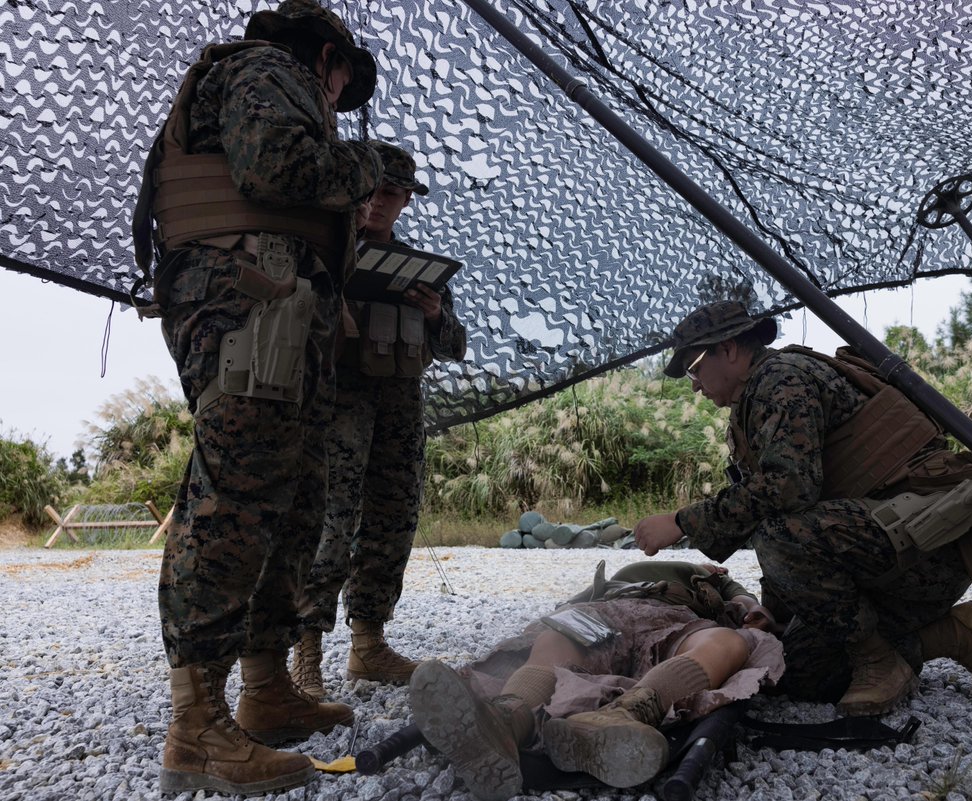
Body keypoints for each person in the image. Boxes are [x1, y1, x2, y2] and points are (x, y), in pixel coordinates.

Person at [133, 0, 384, 794]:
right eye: (344, 81)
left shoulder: (277, 81)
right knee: (238, 494)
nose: (341, 100)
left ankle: (266, 687)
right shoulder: (266, 70)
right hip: (248, 301)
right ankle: (196, 727)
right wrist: (371, 163)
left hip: (280, 304)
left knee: (292, 496)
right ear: (327, 58)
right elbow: (276, 167)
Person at [634, 300, 972, 716]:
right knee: (801, 672)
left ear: (729, 348)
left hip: (926, 554)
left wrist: (680, 522)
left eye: (694, 367)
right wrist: (777, 610)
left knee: (780, 537)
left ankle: (877, 661)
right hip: (888, 551)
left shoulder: (780, 379)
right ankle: (956, 634)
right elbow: (794, 509)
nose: (694, 385)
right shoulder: (755, 398)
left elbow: (789, 489)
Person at [291, 141, 468, 696]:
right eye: (368, 191)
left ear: (406, 201)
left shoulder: (424, 271)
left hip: (399, 407)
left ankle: (368, 646)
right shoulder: (319, 252)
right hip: (336, 405)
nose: (377, 203)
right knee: (330, 523)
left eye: (391, 193)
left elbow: (456, 346)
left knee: (392, 520)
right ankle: (306, 654)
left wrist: (435, 314)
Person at [408, 560, 785, 801]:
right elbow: (561, 612)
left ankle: (624, 714)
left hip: (674, 619)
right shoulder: (623, 576)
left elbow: (751, 606)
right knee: (554, 639)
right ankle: (507, 720)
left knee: (726, 641)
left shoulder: (714, 581)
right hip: (608, 612)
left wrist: (748, 607)